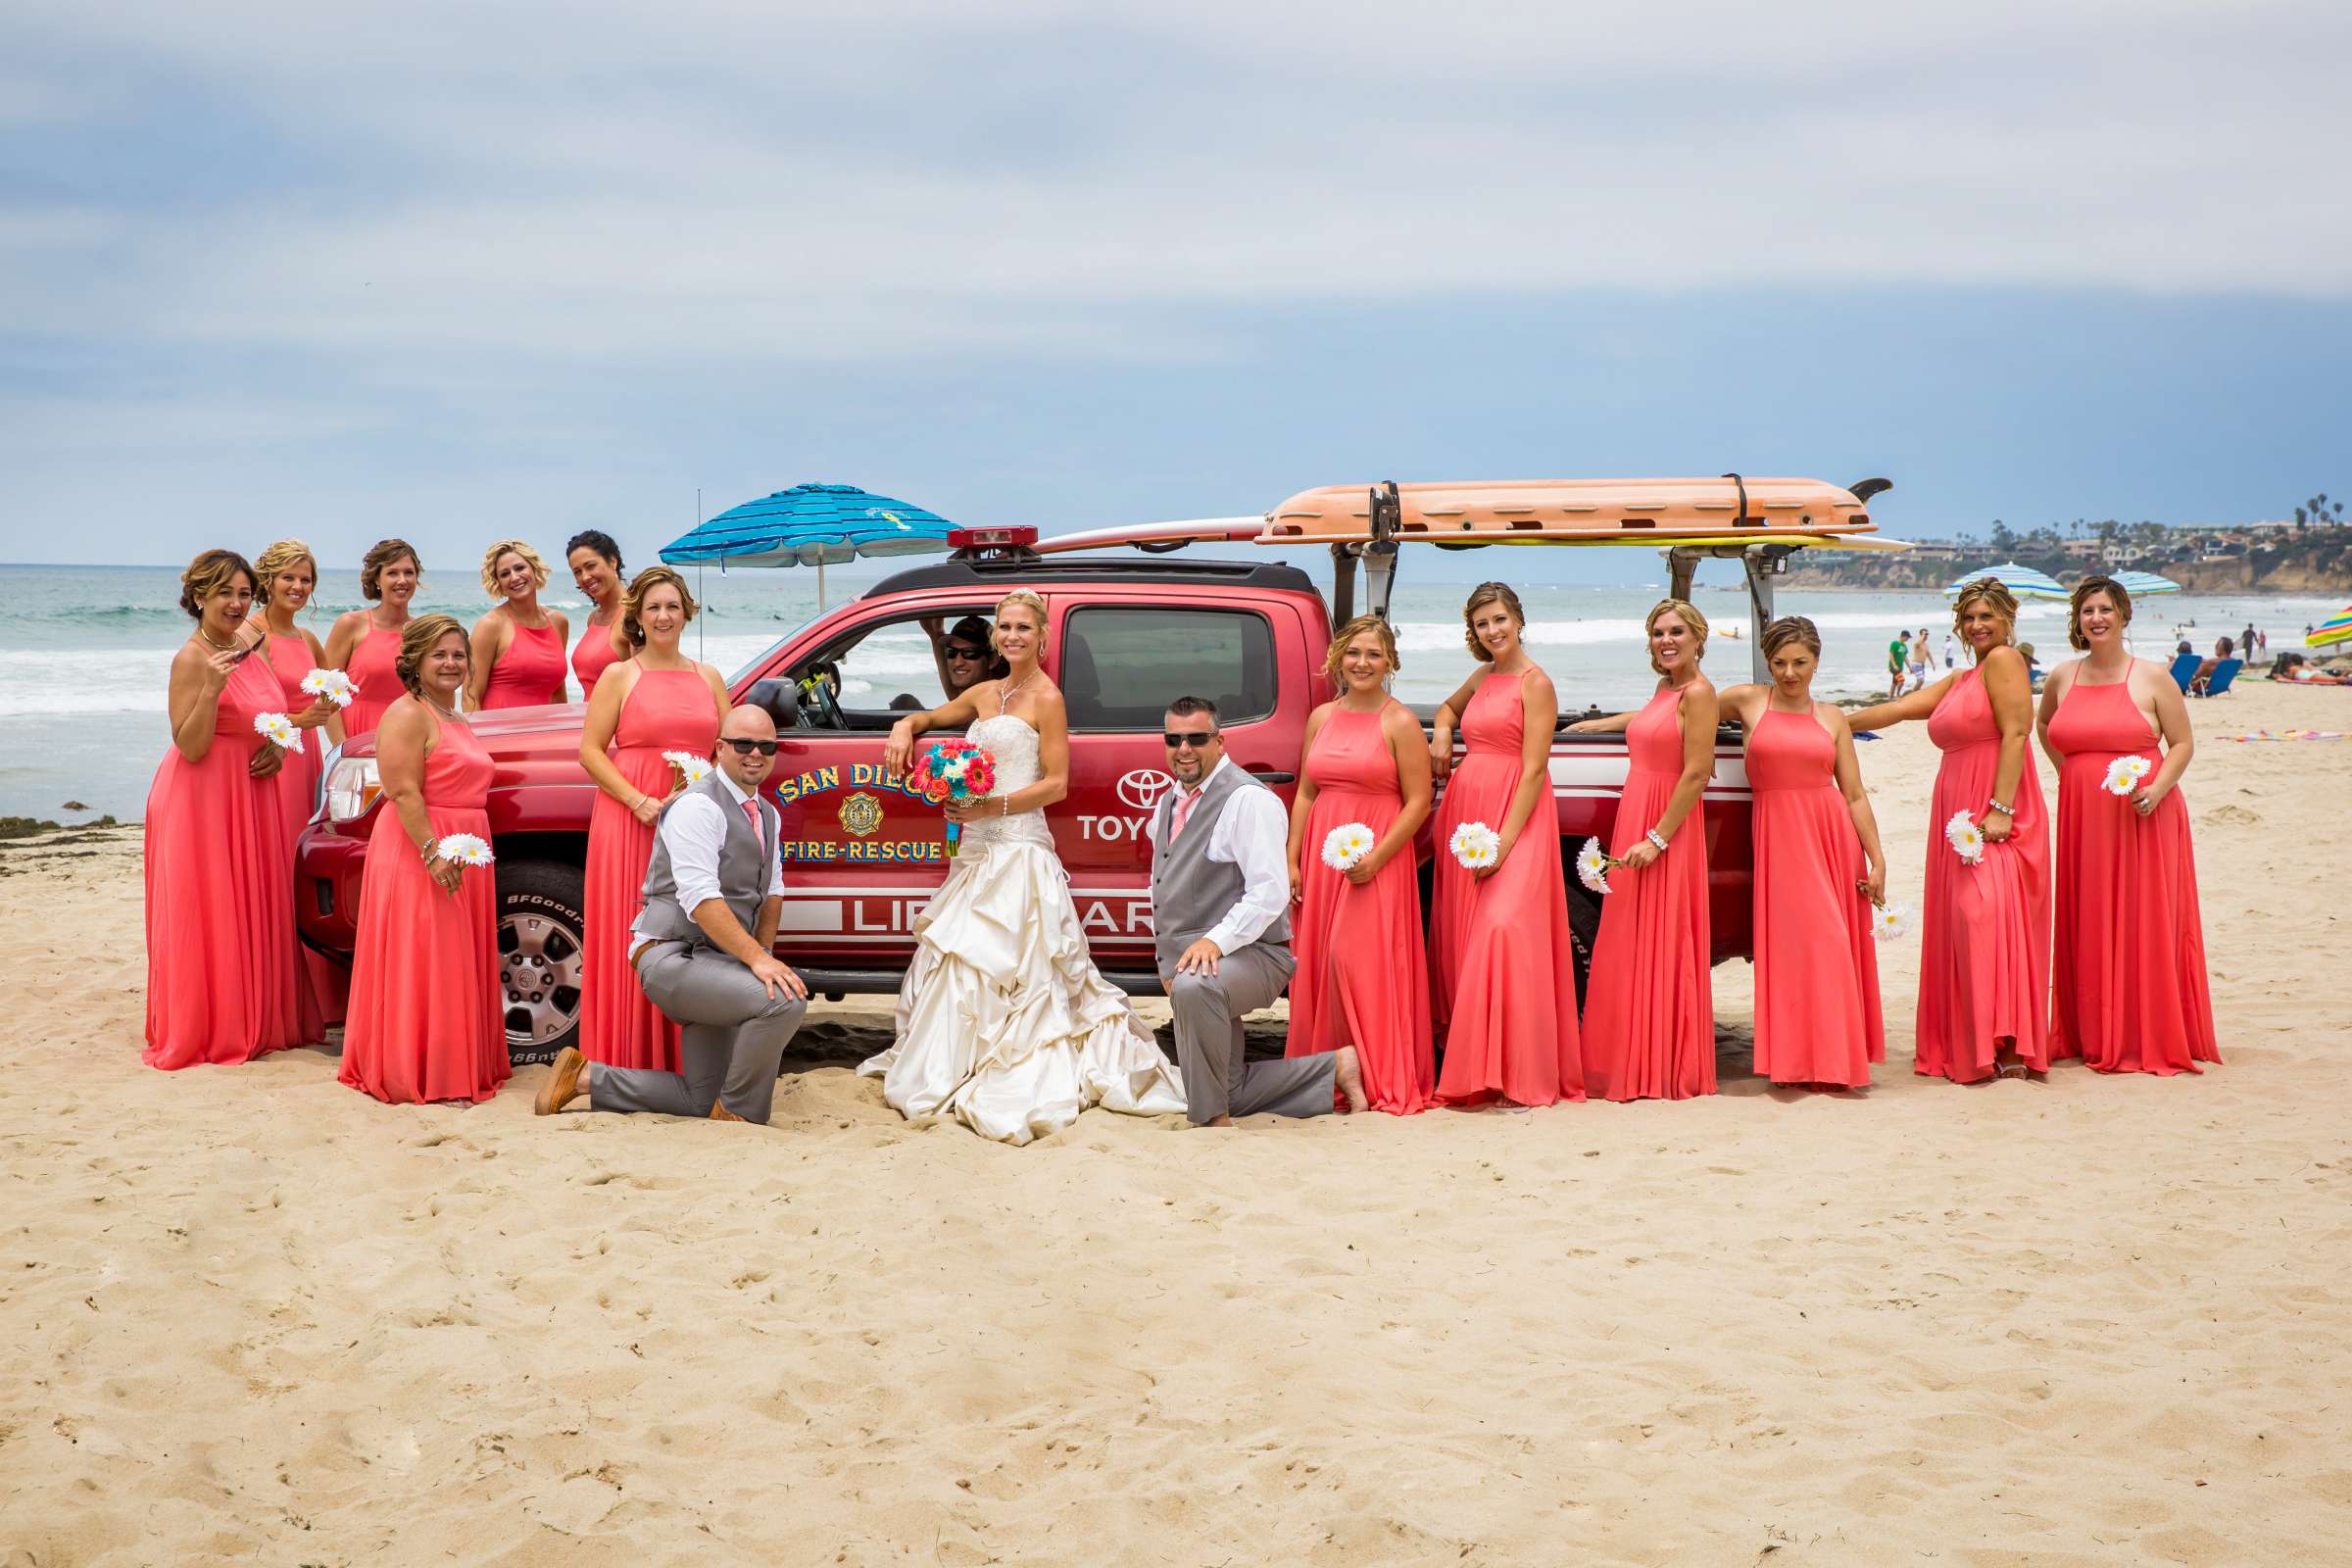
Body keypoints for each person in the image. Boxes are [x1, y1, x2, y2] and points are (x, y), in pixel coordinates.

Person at [860, 589, 1184, 1143]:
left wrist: (993, 806)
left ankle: (1011, 1064)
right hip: (977, 846)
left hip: (1017, 843)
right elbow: (933, 715)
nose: (1012, 636)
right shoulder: (987, 692)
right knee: (962, 953)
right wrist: (903, 727)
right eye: (1004, 627)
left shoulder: (1047, 698)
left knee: (1021, 961)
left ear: (1042, 636)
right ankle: (954, 1059)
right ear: (996, 635)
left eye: (1023, 628)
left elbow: (1057, 784)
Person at [537, 706, 810, 1123]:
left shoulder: (768, 814)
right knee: (784, 1001)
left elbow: (772, 893)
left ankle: (587, 1077)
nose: (756, 754)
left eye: (766, 746)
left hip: (717, 961)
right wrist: (758, 961)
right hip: (670, 956)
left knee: (699, 1098)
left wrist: (765, 953)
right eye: (743, 744)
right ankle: (738, 1114)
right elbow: (700, 899)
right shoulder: (697, 807)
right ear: (719, 748)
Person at [1847, 578, 2050, 1083]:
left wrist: (2001, 807)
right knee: (1963, 922)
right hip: (1955, 805)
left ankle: (2006, 1043)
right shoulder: (1962, 679)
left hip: (1994, 804)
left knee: (1984, 914)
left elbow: (2018, 732)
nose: (1977, 625)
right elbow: (1895, 710)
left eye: (1987, 616)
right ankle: (1976, 1039)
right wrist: (1827, 721)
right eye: (1969, 618)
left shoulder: (2005, 661)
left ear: (2007, 619)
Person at [1151, 696, 1365, 1124]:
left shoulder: (1249, 800)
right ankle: (1335, 1068)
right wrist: (1169, 962)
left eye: (1196, 738)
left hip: (1257, 956)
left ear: (1220, 741)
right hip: (1200, 963)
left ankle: (1212, 1123)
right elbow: (1163, 887)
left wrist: (1213, 942)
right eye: (1174, 739)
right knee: (1224, 1086)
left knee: (1196, 989)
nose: (1185, 749)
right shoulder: (1166, 805)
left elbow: (1270, 892)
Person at [2036, 576, 2220, 1075]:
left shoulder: (2153, 677)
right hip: (2084, 819)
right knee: (2089, 915)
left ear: (2123, 615)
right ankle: (2091, 1030)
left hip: (2145, 813)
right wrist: (2069, 774)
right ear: (2077, 619)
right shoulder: (2061, 677)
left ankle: (2145, 1030)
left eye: (2105, 609)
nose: (2096, 618)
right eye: (2087, 611)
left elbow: (2182, 743)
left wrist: (2157, 789)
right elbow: (2044, 727)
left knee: (2144, 918)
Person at [142, 549, 308, 1069]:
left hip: (252, 793)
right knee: (209, 909)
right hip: (202, 798)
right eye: (224, 594)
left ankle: (256, 1017)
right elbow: (190, 744)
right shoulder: (192, 658)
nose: (237, 603)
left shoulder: (248, 645)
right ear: (198, 597)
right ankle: (211, 1024)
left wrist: (279, 745)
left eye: (243, 593)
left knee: (251, 902)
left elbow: (269, 715)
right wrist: (212, 689)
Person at [337, 615, 512, 1104]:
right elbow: (402, 790)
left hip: (465, 848)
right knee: (430, 959)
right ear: (414, 661)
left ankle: (457, 1064)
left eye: (458, 654)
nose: (451, 663)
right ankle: (427, 1073)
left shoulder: (453, 715)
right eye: (439, 654)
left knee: (455, 959)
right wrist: (434, 852)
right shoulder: (407, 714)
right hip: (422, 848)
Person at [1425, 582, 1584, 1107]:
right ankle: (1472, 1059)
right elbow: (1447, 710)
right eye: (1481, 624)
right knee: (1464, 932)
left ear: (1518, 618)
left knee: (1503, 929)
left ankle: (1515, 1066)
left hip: (1517, 814)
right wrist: (1443, 731)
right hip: (1468, 808)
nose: (1492, 631)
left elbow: (1536, 767)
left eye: (1499, 620)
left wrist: (1504, 844)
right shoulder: (1483, 675)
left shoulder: (1535, 683)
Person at [1717, 617, 1887, 1089]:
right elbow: (1677, 713)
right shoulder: (1749, 700)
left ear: (1816, 661)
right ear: (1767, 662)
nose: (1790, 673)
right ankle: (1796, 1064)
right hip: (1778, 839)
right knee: (1794, 950)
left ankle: (1833, 1063)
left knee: (1831, 944)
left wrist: (1877, 859)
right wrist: (1607, 724)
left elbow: (1853, 794)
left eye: (1800, 662)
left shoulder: (1832, 717)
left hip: (1830, 839)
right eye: (1779, 663)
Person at [577, 566, 728, 1073]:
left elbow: (725, 751)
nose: (664, 616)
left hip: (693, 820)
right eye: (653, 608)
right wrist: (639, 801)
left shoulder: (708, 677)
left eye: (672, 606)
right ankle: (626, 1055)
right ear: (638, 616)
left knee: (688, 927)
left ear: (686, 611)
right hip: (630, 821)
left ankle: (685, 1057)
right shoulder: (621, 676)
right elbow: (591, 752)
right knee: (634, 929)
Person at [1568, 599, 1719, 1102]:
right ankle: (1630, 1052)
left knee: (1662, 937)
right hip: (1639, 806)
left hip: (1666, 827)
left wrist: (1656, 840)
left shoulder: (1701, 693)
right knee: (1629, 938)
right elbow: (1656, 720)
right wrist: (1601, 724)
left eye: (1677, 631)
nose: (1666, 640)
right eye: (1658, 633)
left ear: (1699, 637)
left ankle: (1659, 1063)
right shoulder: (1666, 688)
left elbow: (1696, 772)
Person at [1285, 615, 1436, 1114]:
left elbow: (1418, 802)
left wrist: (1377, 860)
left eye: (1374, 654)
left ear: (1390, 661)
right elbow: (1307, 791)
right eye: (1354, 653)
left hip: (1378, 862)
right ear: (1338, 659)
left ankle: (1375, 1074)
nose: (1363, 663)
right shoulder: (1321, 717)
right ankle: (1325, 1072)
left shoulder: (1400, 721)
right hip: (1324, 860)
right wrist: (1293, 858)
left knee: (1360, 963)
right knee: (1321, 965)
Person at [250, 538, 341, 1035]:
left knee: (302, 871)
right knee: (273, 871)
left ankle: (317, 1000)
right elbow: (249, 708)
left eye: (306, 580)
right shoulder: (251, 632)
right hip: (273, 761)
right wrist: (297, 720)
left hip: (306, 766)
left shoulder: (307, 640)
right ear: (268, 580)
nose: (298, 587)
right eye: (289, 578)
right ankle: (275, 996)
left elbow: (332, 704)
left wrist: (343, 756)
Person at [322, 537, 420, 744]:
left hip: (407, 740)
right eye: (392, 573)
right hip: (357, 741)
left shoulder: (423, 632)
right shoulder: (350, 624)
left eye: (409, 573)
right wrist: (343, 750)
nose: (402, 580)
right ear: (376, 579)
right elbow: (327, 696)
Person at [468, 539, 570, 710]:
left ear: (533, 568)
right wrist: (477, 735)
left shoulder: (558, 622)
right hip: (499, 732)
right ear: (498, 583)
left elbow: (558, 692)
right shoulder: (490, 625)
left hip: (545, 731)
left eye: (519, 568)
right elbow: (471, 696)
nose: (514, 577)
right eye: (505, 574)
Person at [565, 529, 632, 699]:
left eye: (590, 566)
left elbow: (648, 683)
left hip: (621, 722)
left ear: (612, 562)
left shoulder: (635, 614)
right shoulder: (593, 618)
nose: (585, 577)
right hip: (590, 720)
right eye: (577, 572)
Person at [920, 613, 1007, 699]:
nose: (958, 663)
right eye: (951, 652)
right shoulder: (970, 702)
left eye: (969, 653)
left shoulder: (997, 702)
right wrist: (935, 634)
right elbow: (955, 699)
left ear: (992, 660)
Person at [1886, 631, 1909, 700]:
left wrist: (1910, 667)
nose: (1907, 639)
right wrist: (1894, 665)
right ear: (1903, 636)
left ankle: (1890, 699)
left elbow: (1904, 657)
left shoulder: (1904, 646)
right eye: (1907, 637)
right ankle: (1898, 694)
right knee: (1901, 681)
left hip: (1899, 668)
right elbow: (1891, 654)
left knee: (1894, 683)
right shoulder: (1894, 643)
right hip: (1894, 667)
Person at [1907, 629, 1931, 693]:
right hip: (1916, 664)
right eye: (1924, 634)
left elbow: (1928, 654)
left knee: (1919, 681)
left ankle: (1916, 693)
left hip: (1922, 665)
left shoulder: (1926, 644)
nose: (1926, 636)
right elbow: (1918, 643)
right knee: (1921, 680)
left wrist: (1932, 663)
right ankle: (1912, 694)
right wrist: (1923, 635)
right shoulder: (1917, 643)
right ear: (1921, 635)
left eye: (1927, 634)